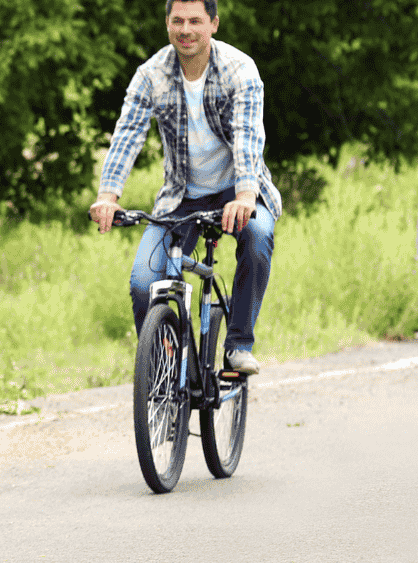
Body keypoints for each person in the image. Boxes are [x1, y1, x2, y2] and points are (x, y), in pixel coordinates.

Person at [88, 0, 281, 375]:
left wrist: (244, 196)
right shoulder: (151, 74)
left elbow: (246, 137)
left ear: (214, 24)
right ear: (167, 24)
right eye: (178, 21)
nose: (186, 29)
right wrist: (108, 197)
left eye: (196, 21)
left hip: (237, 189)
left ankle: (239, 343)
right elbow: (127, 135)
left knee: (258, 236)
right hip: (181, 196)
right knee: (145, 282)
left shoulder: (240, 70)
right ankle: (164, 373)